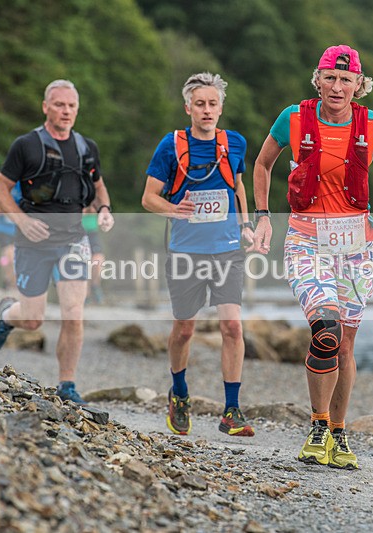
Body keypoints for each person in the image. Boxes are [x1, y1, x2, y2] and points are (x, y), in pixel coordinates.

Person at [252, 45, 373, 469]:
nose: (337, 86)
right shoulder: (294, 118)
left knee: (345, 343)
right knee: (325, 327)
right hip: (306, 239)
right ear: (317, 80)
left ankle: (339, 436)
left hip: (356, 245)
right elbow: (264, 164)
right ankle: (318, 426)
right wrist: (263, 216)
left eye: (346, 80)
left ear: (359, 86)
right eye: (330, 77)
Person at [0, 79, 115, 404]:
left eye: (71, 106)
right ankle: (5, 316)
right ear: (46, 107)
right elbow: (1, 191)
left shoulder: (87, 147)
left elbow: (98, 188)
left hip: (73, 240)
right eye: (59, 104)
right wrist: (23, 221)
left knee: (74, 312)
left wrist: (105, 211)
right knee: (33, 318)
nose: (66, 111)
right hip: (33, 242)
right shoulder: (26, 145)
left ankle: (67, 385)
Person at [141, 72, 255, 437]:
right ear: (188, 107)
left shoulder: (235, 143)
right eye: (200, 104)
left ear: (221, 108)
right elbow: (148, 198)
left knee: (232, 326)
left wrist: (247, 225)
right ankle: (179, 392)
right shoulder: (170, 145)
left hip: (227, 250)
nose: (207, 110)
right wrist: (173, 210)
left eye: (213, 103)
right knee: (185, 330)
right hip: (185, 250)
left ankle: (232, 411)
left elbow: (237, 185)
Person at [82, 206, 106, 305]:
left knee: (97, 260)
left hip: (92, 233)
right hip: (78, 233)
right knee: (84, 263)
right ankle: (86, 295)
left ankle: (95, 286)